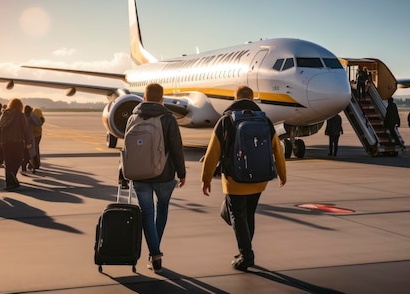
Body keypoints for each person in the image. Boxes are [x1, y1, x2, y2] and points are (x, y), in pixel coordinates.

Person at [201, 85, 287, 271]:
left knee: (237, 216)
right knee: (247, 215)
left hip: (234, 180)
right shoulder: (265, 120)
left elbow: (212, 152)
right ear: (253, 98)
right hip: (259, 180)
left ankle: (246, 255)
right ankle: (245, 249)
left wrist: (206, 178)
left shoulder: (226, 120)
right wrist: (282, 174)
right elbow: (277, 149)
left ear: (235, 98)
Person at [121, 83, 186, 273]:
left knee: (146, 215)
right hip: (164, 175)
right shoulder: (168, 118)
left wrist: (122, 172)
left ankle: (155, 256)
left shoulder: (133, 117)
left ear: (144, 97)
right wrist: (181, 173)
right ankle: (154, 253)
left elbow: (127, 148)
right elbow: (176, 148)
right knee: (162, 209)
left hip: (139, 176)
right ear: (161, 99)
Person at [0, 98, 32, 190]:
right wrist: (28, 142)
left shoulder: (4, 114)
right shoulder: (20, 115)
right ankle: (13, 174)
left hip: (5, 142)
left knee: (8, 162)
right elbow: (25, 129)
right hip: (17, 141)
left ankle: (9, 183)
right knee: (19, 159)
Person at [22, 105, 42, 173]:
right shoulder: (30, 118)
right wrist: (32, 114)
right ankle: (31, 167)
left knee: (25, 154)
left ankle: (25, 168)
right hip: (29, 138)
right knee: (31, 153)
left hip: (22, 138)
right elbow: (39, 122)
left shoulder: (22, 117)